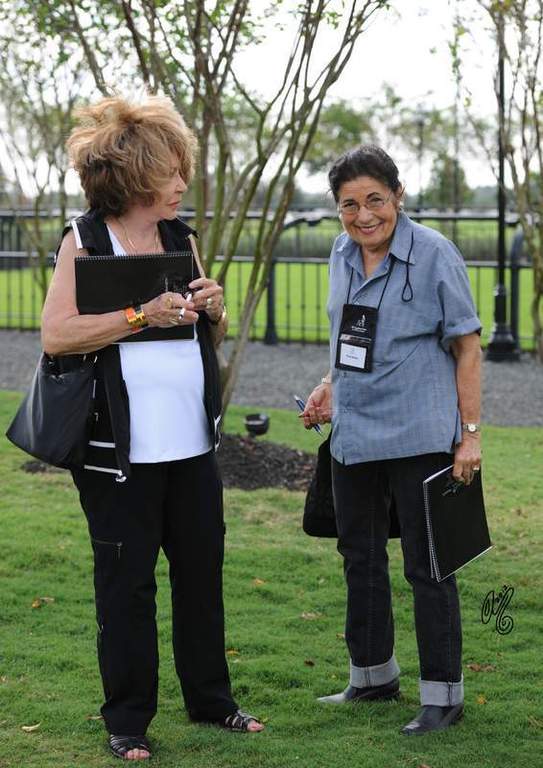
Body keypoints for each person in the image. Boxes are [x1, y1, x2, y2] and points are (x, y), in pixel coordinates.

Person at [41, 95, 263, 761]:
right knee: (126, 585)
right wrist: (141, 315)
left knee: (201, 577)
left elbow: (204, 331)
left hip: (192, 449)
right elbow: (57, 336)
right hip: (118, 457)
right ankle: (128, 720)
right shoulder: (84, 241)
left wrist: (212, 307)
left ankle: (212, 702)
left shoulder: (180, 237)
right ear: (137, 173)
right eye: (171, 169)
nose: (182, 181)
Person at [300, 145, 482, 736]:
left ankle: (443, 695)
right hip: (354, 433)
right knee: (360, 559)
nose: (362, 215)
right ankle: (372, 675)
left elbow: (468, 346)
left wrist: (469, 437)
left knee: (428, 565)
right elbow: (348, 337)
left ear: (398, 196)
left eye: (374, 199)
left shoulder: (433, 255)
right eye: (349, 205)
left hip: (421, 432)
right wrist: (328, 385)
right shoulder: (339, 253)